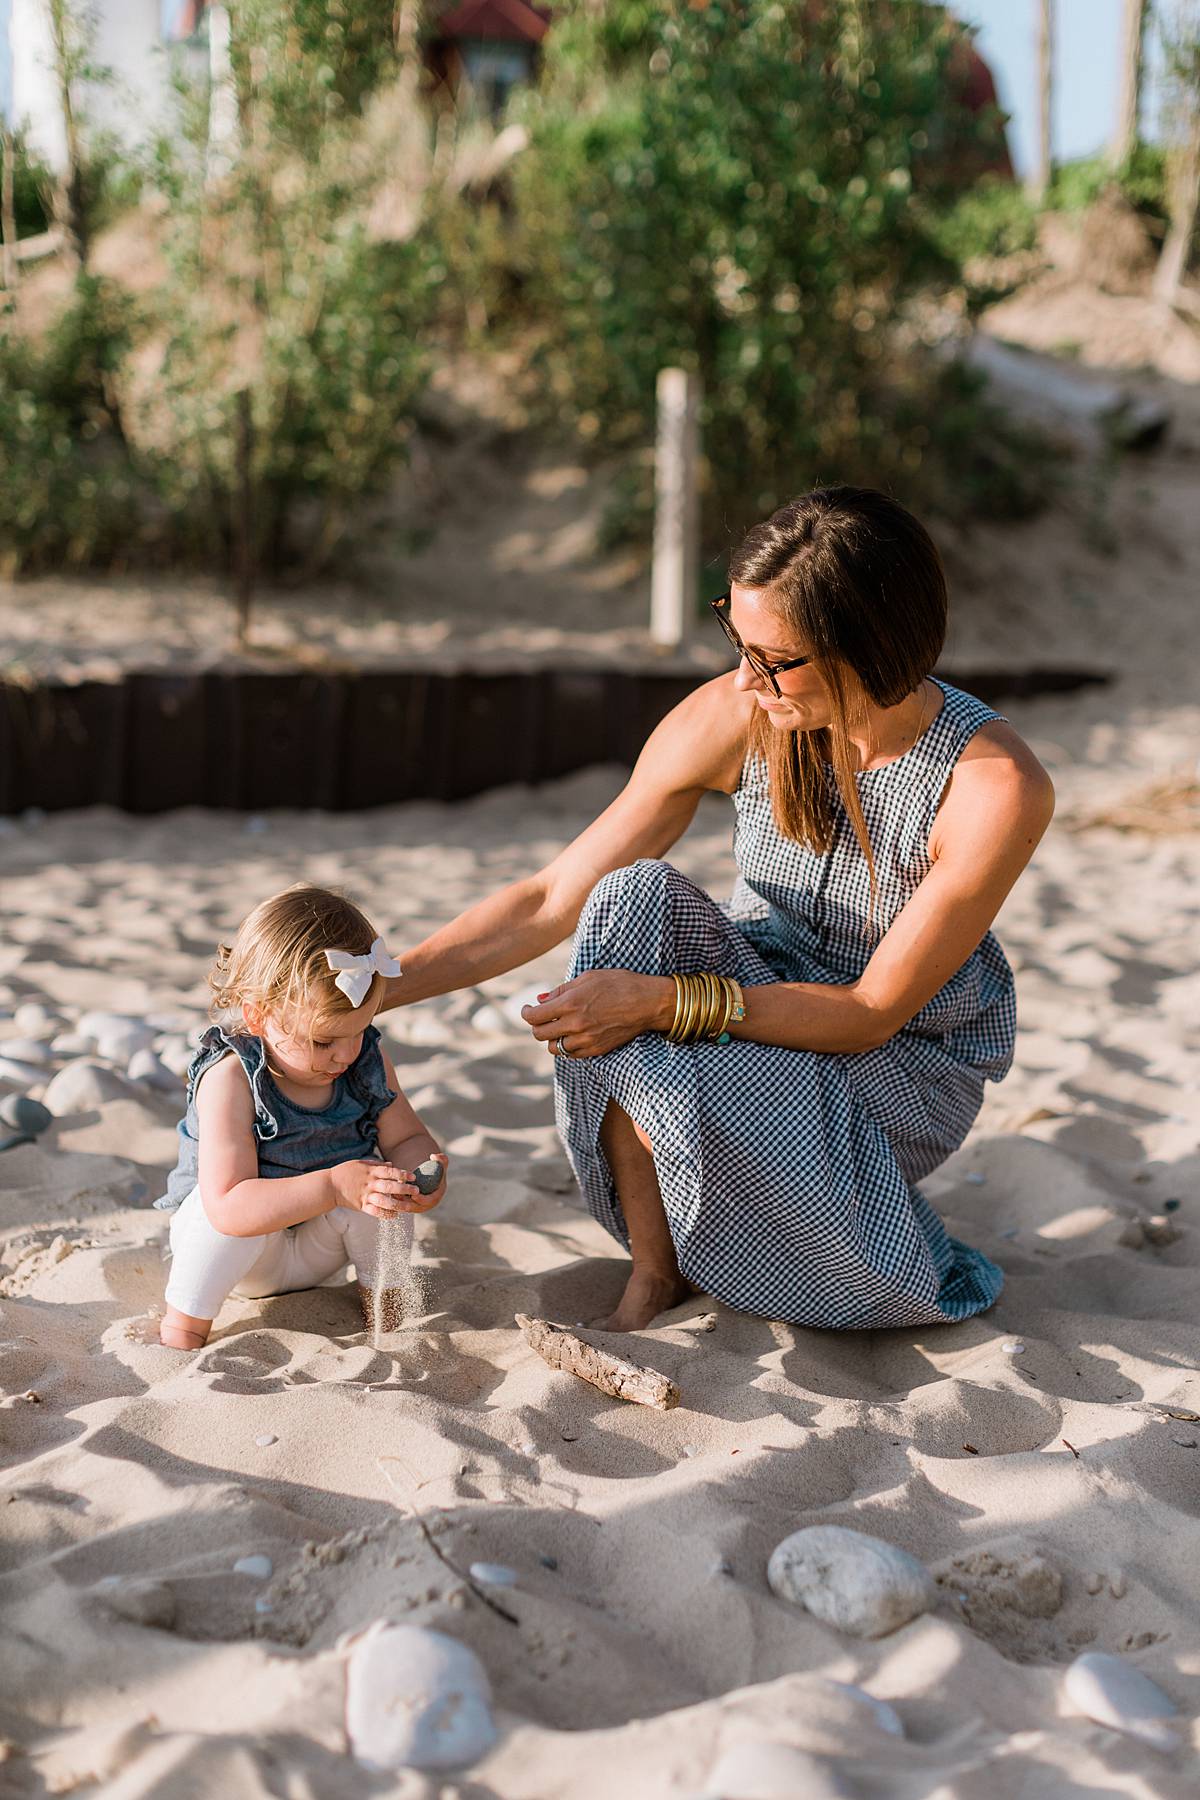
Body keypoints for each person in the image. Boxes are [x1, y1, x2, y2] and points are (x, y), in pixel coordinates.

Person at [382, 487, 1054, 1334]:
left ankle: (824, 1242)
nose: (745, 676)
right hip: (760, 986)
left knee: (646, 1029)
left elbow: (871, 1013)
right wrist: (382, 989)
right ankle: (655, 1274)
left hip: (897, 1063)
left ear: (869, 645)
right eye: (737, 639)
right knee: (629, 900)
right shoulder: (744, 711)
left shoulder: (993, 785)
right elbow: (555, 896)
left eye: (774, 658)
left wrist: (659, 1002)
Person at [156, 885, 447, 1350]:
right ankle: (183, 1328)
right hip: (244, 1254)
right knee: (216, 1223)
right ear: (257, 1016)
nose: (346, 1054)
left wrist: (416, 1173)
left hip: (319, 1248)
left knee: (380, 1186)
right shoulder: (231, 1079)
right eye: (323, 1041)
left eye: (358, 1031)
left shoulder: (365, 1061)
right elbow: (229, 1206)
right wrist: (333, 1184)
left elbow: (406, 1136)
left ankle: (387, 1307)